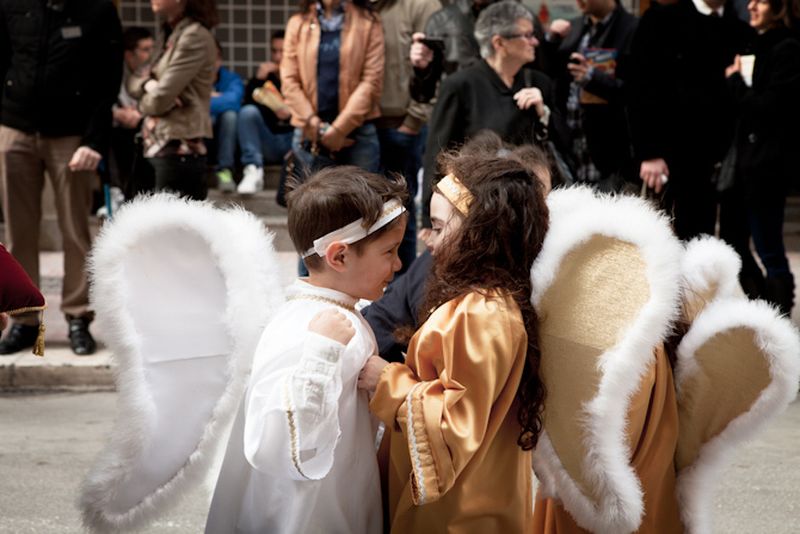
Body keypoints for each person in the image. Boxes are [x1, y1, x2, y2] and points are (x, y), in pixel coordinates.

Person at [205, 166, 408, 533]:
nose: (398, 264)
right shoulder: (308, 329)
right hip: (307, 514)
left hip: (345, 491)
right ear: (340, 257)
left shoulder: (343, 310)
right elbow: (273, 442)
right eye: (390, 251)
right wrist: (321, 354)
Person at [359, 143, 550, 531]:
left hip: (461, 511)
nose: (428, 239)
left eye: (440, 226)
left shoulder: (484, 313)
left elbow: (452, 427)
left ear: (483, 232)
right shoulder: (483, 300)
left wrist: (388, 381)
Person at [0, 0, 123, 356]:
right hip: (15, 127)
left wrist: (94, 141)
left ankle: (77, 317)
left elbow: (108, 80)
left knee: (75, 229)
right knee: (19, 229)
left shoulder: (97, 9)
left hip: (71, 134)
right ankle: (24, 321)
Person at [421, 0, 564, 227]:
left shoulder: (540, 83)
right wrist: (431, 224)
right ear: (499, 42)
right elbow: (437, 156)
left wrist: (543, 112)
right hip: (480, 211)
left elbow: (564, 143)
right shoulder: (461, 85)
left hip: (534, 209)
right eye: (527, 35)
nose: (535, 41)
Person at [630, 0, 753, 240]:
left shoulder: (741, 30)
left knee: (727, 248)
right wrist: (650, 152)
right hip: (675, 158)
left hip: (728, 157)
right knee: (677, 241)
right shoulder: (661, 21)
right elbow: (641, 88)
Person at [724, 0, 800, 314]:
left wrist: (735, 82)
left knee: (768, 245)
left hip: (766, 165)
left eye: (761, 1)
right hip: (745, 162)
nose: (752, 6)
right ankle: (765, 310)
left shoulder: (788, 48)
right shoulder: (755, 43)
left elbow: (768, 108)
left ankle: (778, 317)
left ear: (780, 7)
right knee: (732, 240)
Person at [374, 0, 442, 274]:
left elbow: (436, 65)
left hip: (402, 125)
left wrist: (413, 120)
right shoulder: (360, 8)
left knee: (399, 213)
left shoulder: (422, 5)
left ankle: (401, 290)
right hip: (361, 125)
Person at [281, 0, 384, 175]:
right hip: (309, 133)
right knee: (309, 200)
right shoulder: (297, 23)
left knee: (363, 200)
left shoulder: (369, 21)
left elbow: (372, 81)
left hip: (358, 133)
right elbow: (289, 80)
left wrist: (339, 130)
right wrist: (316, 126)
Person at [128, 0, 218, 200]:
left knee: (174, 226)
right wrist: (148, 85)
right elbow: (133, 79)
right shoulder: (169, 32)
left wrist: (143, 105)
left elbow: (161, 99)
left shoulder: (194, 36)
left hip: (180, 145)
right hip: (155, 143)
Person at [546, 0, 639, 192]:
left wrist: (592, 77)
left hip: (609, 154)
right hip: (570, 145)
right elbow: (551, 75)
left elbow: (638, 92)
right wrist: (552, 41)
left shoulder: (632, 28)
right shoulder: (575, 26)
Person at [236, 31, 293, 195]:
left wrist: (291, 115)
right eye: (274, 51)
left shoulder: (302, 77)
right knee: (247, 112)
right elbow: (247, 112)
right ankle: (253, 169)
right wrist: (259, 80)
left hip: (294, 143)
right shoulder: (265, 78)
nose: (277, 57)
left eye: (283, 52)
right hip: (268, 141)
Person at [109, 26, 156, 203]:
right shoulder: (112, 72)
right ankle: (116, 191)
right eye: (145, 50)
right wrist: (116, 113)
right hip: (116, 129)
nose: (150, 55)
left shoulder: (154, 71)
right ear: (129, 54)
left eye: (152, 49)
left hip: (144, 126)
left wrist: (140, 114)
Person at [210, 40, 244, 193]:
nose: (210, 62)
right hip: (198, 141)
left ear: (220, 59)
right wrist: (216, 98)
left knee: (230, 115)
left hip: (224, 141)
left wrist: (205, 100)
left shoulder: (232, 79)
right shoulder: (189, 80)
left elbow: (234, 102)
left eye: (214, 57)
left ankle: (225, 171)